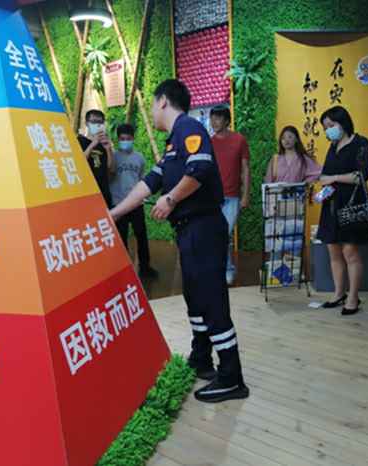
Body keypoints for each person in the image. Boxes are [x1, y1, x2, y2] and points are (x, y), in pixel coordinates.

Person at [110, 79, 248, 403]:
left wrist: (170, 199)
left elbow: (200, 170)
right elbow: (149, 182)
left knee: (211, 299)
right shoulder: (174, 143)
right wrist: (113, 214)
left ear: (162, 101)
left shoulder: (189, 128)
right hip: (188, 232)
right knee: (195, 297)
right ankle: (201, 359)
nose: (152, 112)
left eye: (153, 104)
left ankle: (231, 376)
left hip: (204, 228)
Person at [317, 106, 368, 316]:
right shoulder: (333, 147)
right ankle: (339, 293)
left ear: (343, 122)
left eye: (331, 125)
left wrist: (333, 178)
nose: (328, 130)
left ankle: (353, 297)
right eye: (325, 127)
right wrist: (323, 188)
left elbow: (361, 176)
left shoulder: (362, 144)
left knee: (350, 251)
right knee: (333, 251)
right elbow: (325, 175)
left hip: (352, 205)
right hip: (331, 204)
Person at [110, 124, 158, 278]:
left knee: (141, 236)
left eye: (128, 138)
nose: (125, 141)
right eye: (122, 139)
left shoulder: (140, 158)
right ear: (118, 139)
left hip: (136, 203)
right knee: (121, 238)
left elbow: (141, 179)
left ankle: (145, 267)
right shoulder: (113, 157)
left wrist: (142, 196)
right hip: (119, 204)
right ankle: (124, 270)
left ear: (133, 138)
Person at [210, 105, 251, 285]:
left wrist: (246, 195)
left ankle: (227, 269)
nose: (214, 122)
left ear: (227, 120)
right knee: (216, 235)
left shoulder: (239, 140)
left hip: (232, 196)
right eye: (212, 118)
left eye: (218, 118)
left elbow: (246, 169)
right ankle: (219, 269)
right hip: (212, 197)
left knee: (223, 234)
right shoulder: (208, 142)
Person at [77, 110, 115, 208]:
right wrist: (93, 144)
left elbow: (110, 169)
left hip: (104, 193)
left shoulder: (104, 143)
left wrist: (108, 149)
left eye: (100, 122)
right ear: (87, 123)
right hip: (87, 194)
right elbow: (79, 163)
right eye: (94, 121)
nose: (97, 125)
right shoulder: (79, 141)